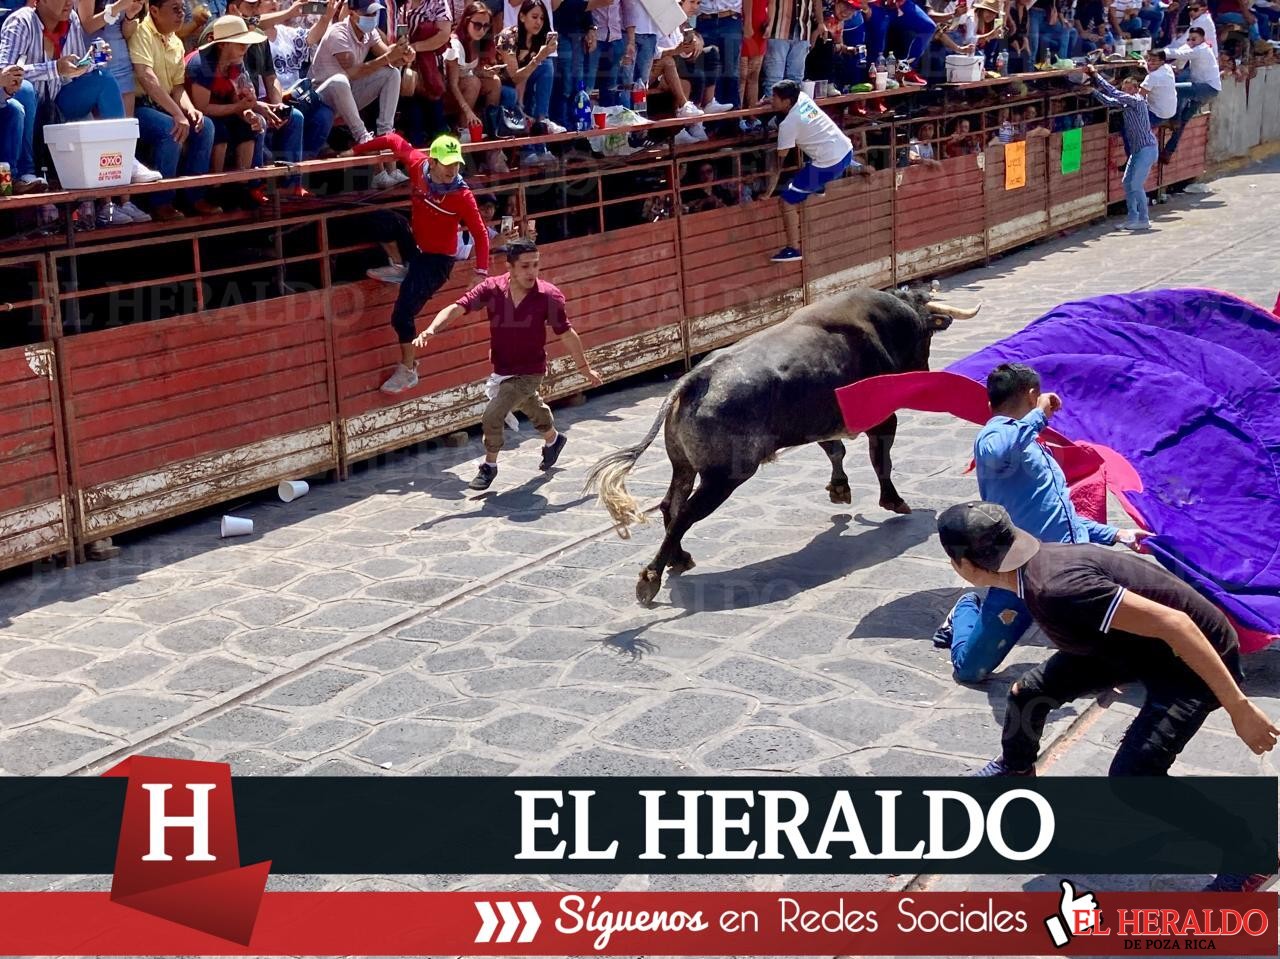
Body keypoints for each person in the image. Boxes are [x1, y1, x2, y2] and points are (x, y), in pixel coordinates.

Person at [936, 499, 1279, 892]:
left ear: (961, 564)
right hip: (1129, 647)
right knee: (1026, 693)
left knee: (1135, 779)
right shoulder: (1032, 571)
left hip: (1191, 661)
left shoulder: (1056, 587)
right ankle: (1016, 772)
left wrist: (1239, 707)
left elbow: (1176, 623)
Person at [932, 362, 1153, 683]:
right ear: (1032, 394)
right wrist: (1039, 415)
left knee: (1113, 653)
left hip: (1069, 570)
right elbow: (996, 450)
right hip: (1019, 576)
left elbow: (1058, 518)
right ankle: (966, 609)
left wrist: (1117, 534)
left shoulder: (1036, 448)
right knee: (970, 670)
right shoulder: (994, 435)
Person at [417, 237, 603, 491]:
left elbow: (567, 334)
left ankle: (489, 466)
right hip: (503, 368)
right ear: (510, 267)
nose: (532, 272)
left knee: (494, 414)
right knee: (530, 404)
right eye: (525, 266)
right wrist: (431, 329)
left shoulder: (548, 296)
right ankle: (553, 440)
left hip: (530, 371)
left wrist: (585, 369)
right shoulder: (492, 289)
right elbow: (458, 307)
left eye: (536, 265)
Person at [356, 133, 490, 394]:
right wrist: (355, 150)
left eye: (457, 164)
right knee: (380, 219)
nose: (453, 169)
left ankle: (408, 370)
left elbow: (480, 233)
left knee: (401, 316)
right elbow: (393, 140)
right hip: (415, 246)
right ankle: (400, 266)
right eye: (448, 164)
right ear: (434, 162)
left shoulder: (462, 195)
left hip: (436, 262)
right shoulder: (418, 166)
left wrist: (481, 271)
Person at [129, 0, 220, 221]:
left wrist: (190, 110)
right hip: (140, 106)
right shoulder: (141, 31)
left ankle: (194, 197)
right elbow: (147, 78)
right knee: (170, 128)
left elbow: (177, 87)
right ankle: (162, 202)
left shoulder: (176, 42)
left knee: (205, 125)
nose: (182, 14)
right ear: (154, 11)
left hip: (165, 104)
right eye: (175, 9)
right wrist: (178, 115)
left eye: (183, 9)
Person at [310, 0, 413, 185]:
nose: (372, 18)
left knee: (392, 73)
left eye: (374, 14)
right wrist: (389, 57)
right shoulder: (337, 33)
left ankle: (386, 135)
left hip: (347, 95)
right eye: (367, 14)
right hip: (321, 101)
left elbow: (388, 59)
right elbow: (353, 71)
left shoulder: (370, 32)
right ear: (352, 13)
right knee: (340, 79)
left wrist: (403, 55)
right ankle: (364, 140)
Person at [764, 79, 865, 263]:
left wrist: (768, 191)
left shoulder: (788, 125)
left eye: (775, 98)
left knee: (785, 201)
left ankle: (793, 249)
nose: (772, 100)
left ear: (786, 102)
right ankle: (818, 187)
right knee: (810, 157)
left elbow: (780, 161)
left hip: (828, 164)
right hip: (845, 150)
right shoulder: (803, 98)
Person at [1084, 63, 1156, 231]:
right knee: (1127, 183)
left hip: (1146, 149)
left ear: (1135, 89)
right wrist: (1093, 92)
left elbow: (1113, 93)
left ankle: (1144, 218)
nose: (1124, 91)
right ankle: (1133, 218)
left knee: (1136, 185)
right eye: (1124, 88)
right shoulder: (1127, 103)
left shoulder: (1136, 100)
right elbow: (1110, 101)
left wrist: (1096, 76)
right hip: (1139, 150)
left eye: (1128, 88)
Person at [1161, 26, 1220, 163]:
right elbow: (1183, 53)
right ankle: (1168, 151)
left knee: (1176, 89)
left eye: (1194, 39)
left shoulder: (1201, 50)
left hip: (1206, 88)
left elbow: (1180, 55)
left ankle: (1175, 119)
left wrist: (1158, 53)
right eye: (1189, 39)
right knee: (1184, 121)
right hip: (1208, 90)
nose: (1191, 41)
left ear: (1202, 39)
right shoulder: (1197, 49)